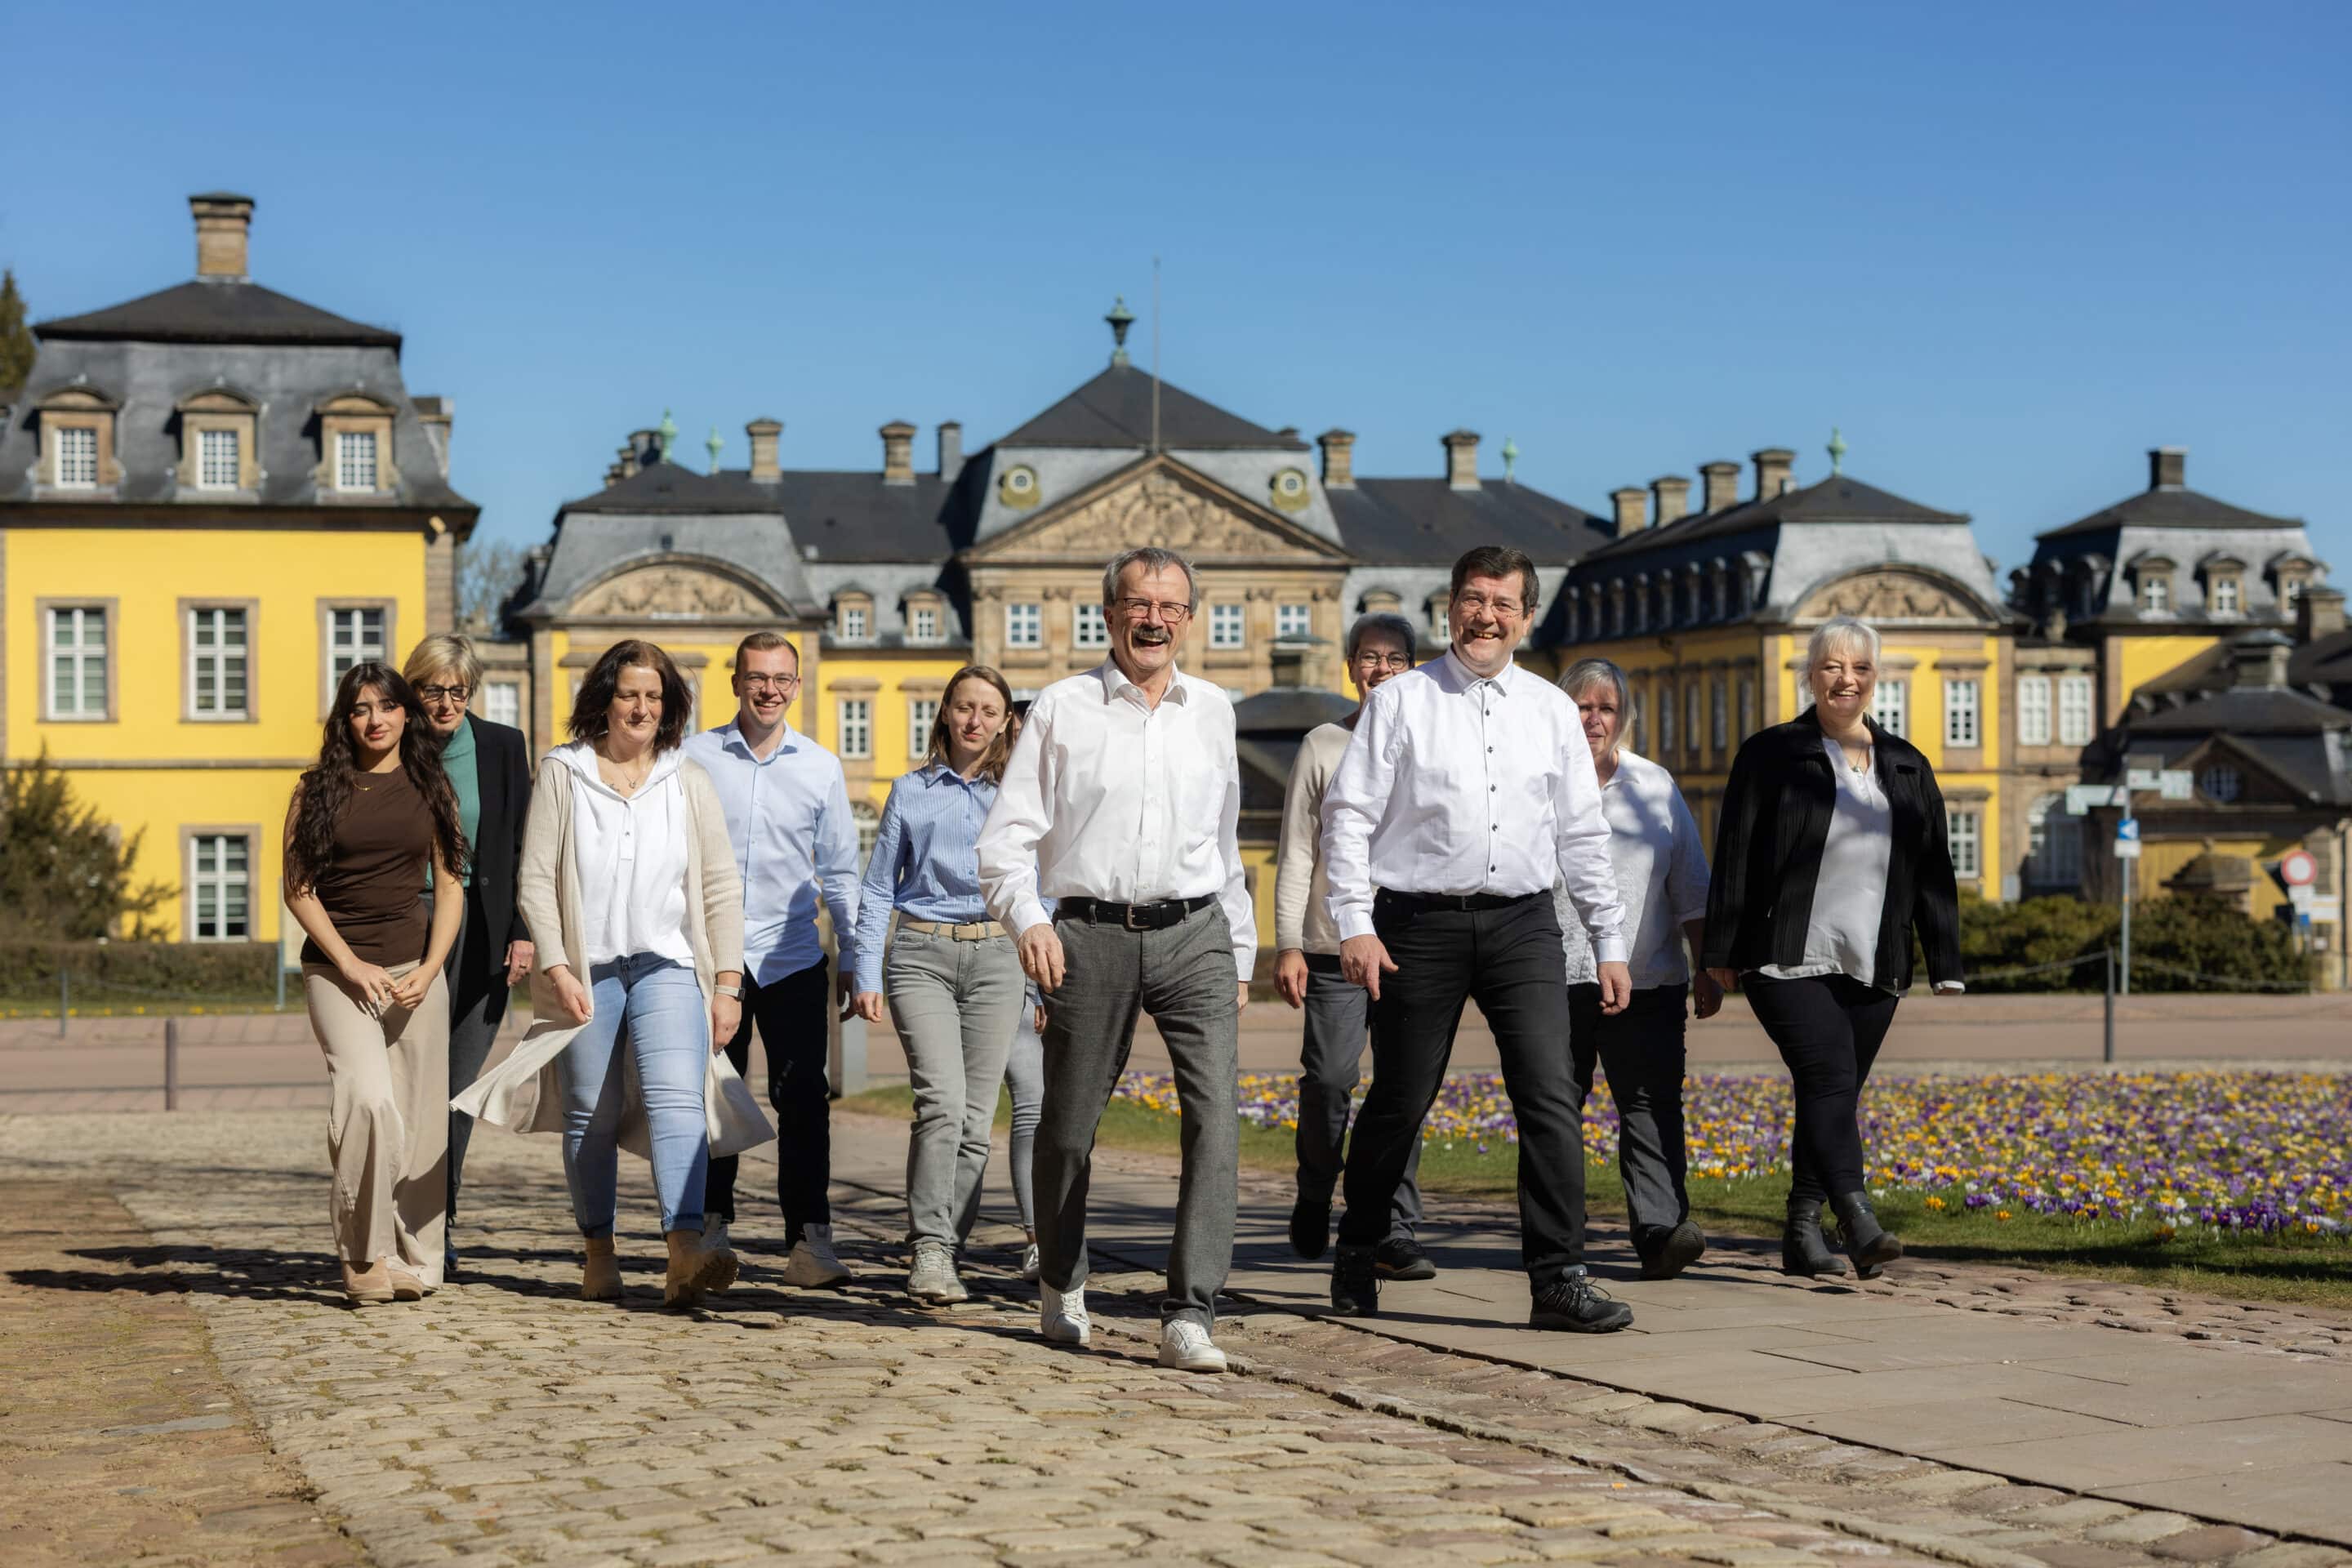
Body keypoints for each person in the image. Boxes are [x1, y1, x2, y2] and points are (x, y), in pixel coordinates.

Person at [1321, 545, 1634, 1333]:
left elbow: (1582, 832)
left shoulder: (1551, 710)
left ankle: (1558, 1277)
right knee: (1400, 1099)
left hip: (1524, 925)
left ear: (1526, 617)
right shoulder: (1403, 701)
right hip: (1416, 925)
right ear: (1450, 606)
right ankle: (1360, 1245)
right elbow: (1348, 816)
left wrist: (1609, 938)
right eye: (1473, 599)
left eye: (1502, 604)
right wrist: (1354, 923)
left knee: (1551, 1095)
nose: (1485, 617)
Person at [978, 546, 1254, 1374]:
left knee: (1216, 1117)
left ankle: (1190, 1311)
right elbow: (1005, 841)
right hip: (1088, 934)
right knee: (1066, 1126)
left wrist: (1239, 951)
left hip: (1197, 932)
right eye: (1139, 604)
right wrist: (1030, 921)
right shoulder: (1062, 710)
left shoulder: (1214, 711)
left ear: (1190, 620)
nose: (1154, 620)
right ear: (1109, 615)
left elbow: (1225, 843)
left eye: (1171, 607)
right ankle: (1062, 1281)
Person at [465, 639, 749, 1307]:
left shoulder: (687, 779)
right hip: (585, 969)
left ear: (669, 706)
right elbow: (536, 879)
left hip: (669, 963)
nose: (642, 708)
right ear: (605, 700)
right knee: (590, 1113)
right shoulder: (563, 772)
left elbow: (719, 887)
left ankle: (684, 1251)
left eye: (654, 696)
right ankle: (599, 1250)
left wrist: (728, 983)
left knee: (679, 1101)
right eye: (629, 695)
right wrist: (557, 965)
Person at [1704, 615, 1964, 1278]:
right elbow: (1735, 851)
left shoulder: (1907, 763)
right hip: (1785, 952)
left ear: (1877, 679)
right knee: (1828, 1078)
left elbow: (1933, 866)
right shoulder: (1771, 754)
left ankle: (1801, 1229)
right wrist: (1719, 949)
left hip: (1876, 958)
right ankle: (1856, 1216)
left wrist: (1945, 960)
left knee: (1834, 1096)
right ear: (1810, 675)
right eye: (1832, 667)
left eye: (1860, 668)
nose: (1846, 680)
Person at [283, 661, 468, 1306]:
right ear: (346, 719)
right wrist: (350, 964)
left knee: (420, 1120)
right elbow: (298, 889)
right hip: (338, 973)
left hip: (415, 971)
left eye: (386, 706)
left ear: (405, 715)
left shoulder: (431, 785)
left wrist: (431, 967)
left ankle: (415, 1259)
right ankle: (363, 1254)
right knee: (365, 1101)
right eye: (361, 709)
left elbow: (451, 885)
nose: (375, 719)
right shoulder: (315, 790)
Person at [684, 633, 862, 1288]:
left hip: (792, 957)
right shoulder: (693, 758)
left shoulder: (820, 767)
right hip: (712, 961)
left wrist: (855, 955)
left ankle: (809, 1242)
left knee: (805, 1098)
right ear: (735, 682)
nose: (769, 690)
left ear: (797, 686)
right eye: (757, 677)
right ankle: (707, 1231)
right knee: (713, 1097)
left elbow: (841, 870)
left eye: (782, 679)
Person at [850, 666, 1027, 1304]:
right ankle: (928, 1246)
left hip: (999, 957)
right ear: (946, 713)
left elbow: (1039, 887)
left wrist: (1040, 981)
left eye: (988, 711)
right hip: (921, 954)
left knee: (977, 1119)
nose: (975, 720)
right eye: (964, 707)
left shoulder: (1019, 797)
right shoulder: (910, 790)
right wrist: (865, 970)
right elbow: (878, 887)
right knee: (942, 1103)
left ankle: (948, 1248)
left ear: (1005, 723)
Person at [1273, 611, 1430, 1277]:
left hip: (1411, 944)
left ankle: (1396, 1226)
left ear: (1413, 669)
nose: (1381, 670)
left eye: (1395, 659)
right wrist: (1287, 943)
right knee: (1330, 1080)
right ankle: (1316, 1187)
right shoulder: (1322, 745)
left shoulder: (1431, 742)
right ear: (1350, 667)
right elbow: (1296, 851)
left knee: (1405, 1087)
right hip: (1332, 944)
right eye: (1369, 657)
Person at [1556, 657, 1719, 1281]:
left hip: (1648, 977)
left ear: (1624, 717)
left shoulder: (1654, 785)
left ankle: (1661, 1232)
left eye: (1607, 708)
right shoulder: (1536, 783)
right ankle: (1557, 1240)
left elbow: (1691, 885)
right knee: (1553, 1112)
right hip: (1557, 979)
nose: (1594, 720)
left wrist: (1706, 966)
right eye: (1582, 706)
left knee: (1651, 1107)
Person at [402, 635, 532, 1282]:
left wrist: (524, 930)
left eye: (459, 691)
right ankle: (397, 1219)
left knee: (457, 1090)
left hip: (485, 932)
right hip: (410, 927)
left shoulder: (504, 746)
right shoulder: (394, 746)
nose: (447, 704)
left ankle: (438, 1222)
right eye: (434, 690)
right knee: (409, 1085)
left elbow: (524, 845)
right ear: (413, 690)